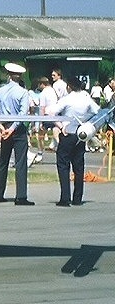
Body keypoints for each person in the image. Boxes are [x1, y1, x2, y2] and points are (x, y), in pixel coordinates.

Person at [0, 62, 34, 205]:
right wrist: (12, 129)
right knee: (20, 162)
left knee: (3, 162)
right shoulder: (23, 92)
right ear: (20, 76)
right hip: (17, 129)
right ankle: (21, 196)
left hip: (4, 126)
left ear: (8, 75)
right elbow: (22, 113)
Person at [48, 76, 100, 207]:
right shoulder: (86, 99)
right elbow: (98, 112)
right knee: (78, 167)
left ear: (69, 86)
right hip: (81, 135)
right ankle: (77, 198)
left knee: (63, 165)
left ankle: (65, 198)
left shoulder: (67, 99)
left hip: (67, 134)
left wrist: (60, 126)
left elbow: (51, 112)